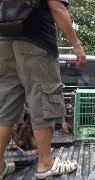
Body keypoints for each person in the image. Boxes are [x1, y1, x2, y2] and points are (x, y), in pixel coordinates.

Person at [0, 0, 86, 179]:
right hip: (35, 41)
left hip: (4, 42)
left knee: (5, 104)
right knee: (43, 99)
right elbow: (57, 7)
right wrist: (76, 45)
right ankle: (46, 163)